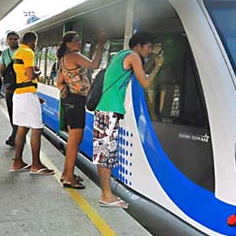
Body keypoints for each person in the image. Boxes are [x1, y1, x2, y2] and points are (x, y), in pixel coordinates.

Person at [94, 32, 164, 208]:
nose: (149, 50)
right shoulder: (133, 56)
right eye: (147, 47)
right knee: (105, 155)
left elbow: (140, 69)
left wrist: (153, 57)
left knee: (105, 154)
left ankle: (106, 194)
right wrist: (158, 66)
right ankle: (106, 195)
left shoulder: (122, 55)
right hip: (109, 110)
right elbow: (146, 83)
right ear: (138, 46)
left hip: (106, 109)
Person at [56, 30, 107, 189]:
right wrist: (100, 45)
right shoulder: (73, 56)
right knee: (74, 140)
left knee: (73, 139)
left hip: (71, 101)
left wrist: (64, 87)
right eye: (76, 40)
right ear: (68, 43)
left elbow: (59, 81)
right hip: (77, 101)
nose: (79, 43)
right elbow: (95, 65)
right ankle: (69, 176)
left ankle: (66, 173)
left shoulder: (63, 59)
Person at [10, 31, 54, 174]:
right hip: (27, 95)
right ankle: (36, 164)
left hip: (19, 94)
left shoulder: (18, 52)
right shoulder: (28, 52)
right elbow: (29, 75)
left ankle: (17, 162)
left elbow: (22, 76)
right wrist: (37, 72)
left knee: (22, 128)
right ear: (33, 42)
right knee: (37, 128)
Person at [0, 31, 20, 147]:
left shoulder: (23, 51)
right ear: (7, 41)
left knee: (18, 112)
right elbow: (2, 69)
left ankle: (15, 135)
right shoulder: (4, 53)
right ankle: (14, 133)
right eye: (11, 39)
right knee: (12, 111)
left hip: (21, 87)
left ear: (19, 39)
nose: (13, 41)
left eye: (15, 38)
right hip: (10, 87)